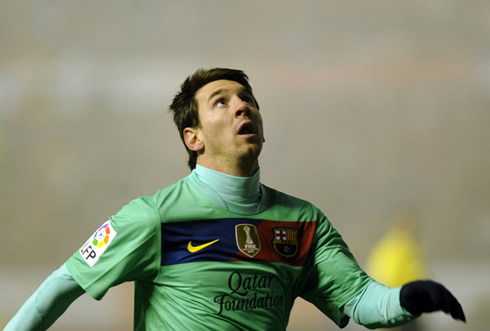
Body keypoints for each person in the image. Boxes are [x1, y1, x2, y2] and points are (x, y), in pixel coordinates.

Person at [5, 68, 466, 330]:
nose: (242, 105)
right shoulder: (154, 218)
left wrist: (410, 296)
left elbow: (362, 301)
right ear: (194, 137)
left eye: (247, 98)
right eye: (221, 102)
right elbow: (62, 285)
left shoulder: (304, 222)